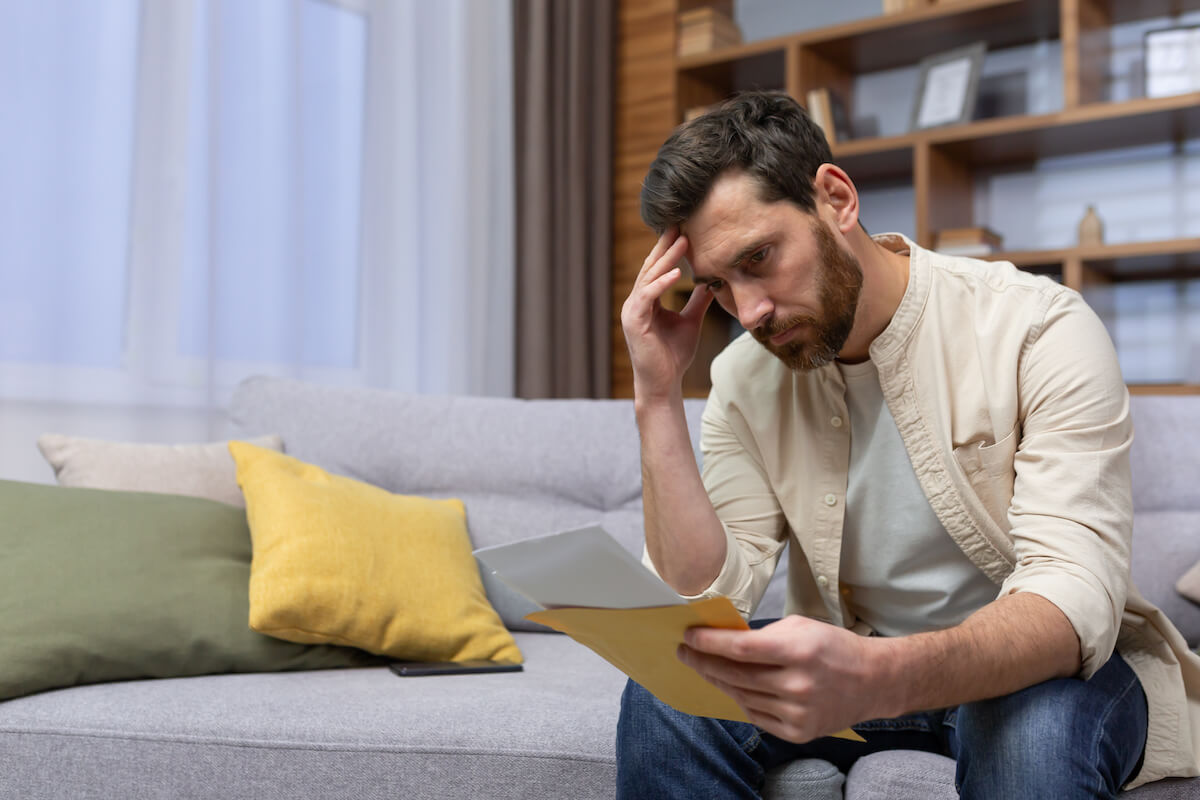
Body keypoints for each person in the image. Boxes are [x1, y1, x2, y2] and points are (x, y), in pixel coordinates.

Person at [616, 90, 1200, 799]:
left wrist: (874, 678)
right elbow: (704, 601)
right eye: (718, 286)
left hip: (1029, 674)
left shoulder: (1038, 328)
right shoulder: (743, 377)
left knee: (1032, 739)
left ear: (835, 198)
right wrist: (656, 395)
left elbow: (1071, 598)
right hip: (853, 670)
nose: (750, 313)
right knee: (666, 697)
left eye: (760, 258)